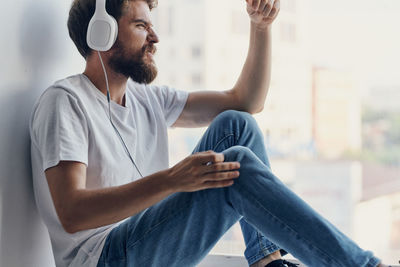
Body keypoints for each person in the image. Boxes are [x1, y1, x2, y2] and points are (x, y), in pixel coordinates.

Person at [29, 0, 393, 266]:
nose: (155, 36)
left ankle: (267, 261)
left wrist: (260, 28)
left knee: (237, 125)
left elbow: (245, 101)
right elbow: (72, 212)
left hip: (145, 240)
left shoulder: (146, 100)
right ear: (102, 32)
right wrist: (172, 180)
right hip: (106, 258)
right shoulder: (65, 101)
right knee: (233, 165)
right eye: (141, 26)